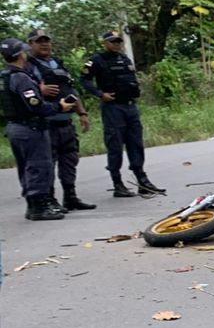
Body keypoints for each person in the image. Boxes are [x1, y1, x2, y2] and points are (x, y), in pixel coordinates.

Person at [82, 29, 162, 198]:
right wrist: (100, 94)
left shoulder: (124, 59)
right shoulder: (97, 60)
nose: (116, 44)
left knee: (136, 144)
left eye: (118, 41)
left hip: (130, 107)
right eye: (112, 41)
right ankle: (117, 183)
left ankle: (142, 181)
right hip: (113, 108)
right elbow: (84, 80)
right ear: (105, 43)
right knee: (115, 145)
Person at [26, 30, 94, 212]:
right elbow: (22, 92)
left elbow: (71, 90)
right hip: (45, 124)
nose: (44, 44)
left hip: (66, 123)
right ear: (30, 44)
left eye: (46, 40)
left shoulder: (59, 63)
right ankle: (49, 199)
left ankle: (70, 197)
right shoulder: (28, 66)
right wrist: (40, 90)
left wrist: (82, 113)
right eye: (39, 41)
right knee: (47, 163)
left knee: (70, 160)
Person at [4, 36, 69, 220]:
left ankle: (33, 206)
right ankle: (40, 207)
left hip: (15, 126)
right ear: (20, 55)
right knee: (38, 165)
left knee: (25, 167)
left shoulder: (5, 76)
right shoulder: (21, 78)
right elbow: (35, 105)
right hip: (30, 128)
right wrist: (59, 107)